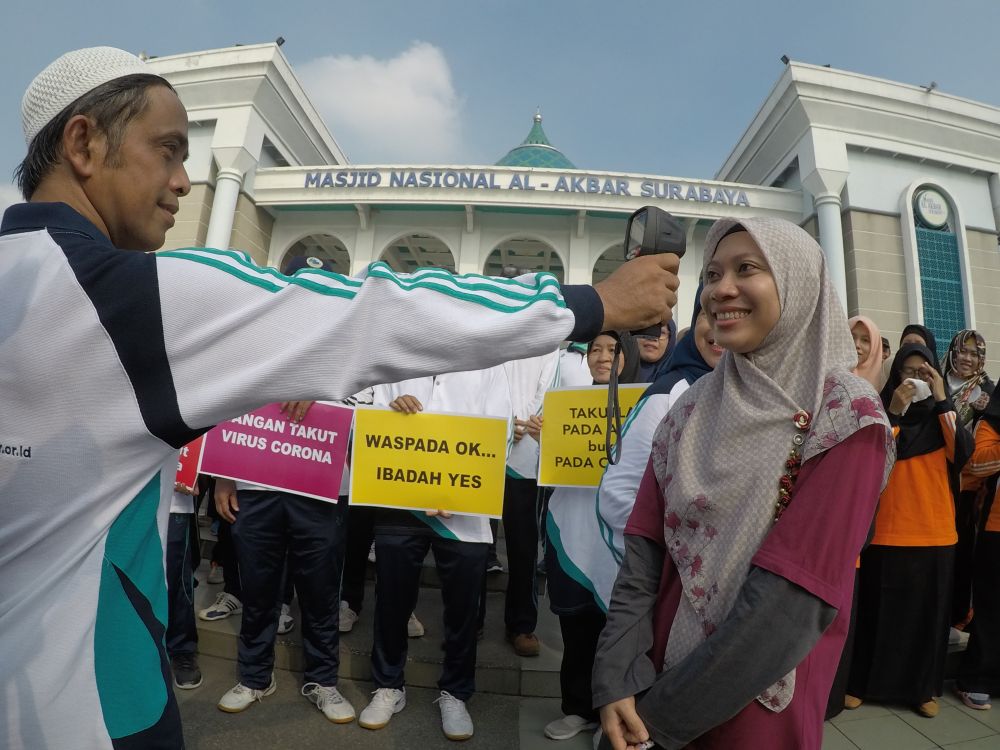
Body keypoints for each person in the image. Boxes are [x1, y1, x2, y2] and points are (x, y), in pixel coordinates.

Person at [0, 47, 678, 750]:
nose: (183, 180)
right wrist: (592, 303)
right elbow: (370, 310)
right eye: (168, 150)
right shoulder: (133, 296)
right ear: (83, 142)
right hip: (95, 710)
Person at [592, 218, 894, 750]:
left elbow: (790, 604)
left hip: (756, 704)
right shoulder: (690, 407)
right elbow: (643, 550)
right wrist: (617, 674)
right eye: (711, 274)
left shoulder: (846, 414)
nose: (720, 289)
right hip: (653, 676)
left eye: (747, 269)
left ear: (798, 283)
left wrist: (659, 725)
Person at [359, 367, 512, 741]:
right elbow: (369, 419)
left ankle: (456, 692)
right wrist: (389, 411)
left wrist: (455, 485)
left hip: (464, 506)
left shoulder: (489, 362)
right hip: (400, 499)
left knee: (463, 607)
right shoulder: (399, 356)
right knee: (392, 598)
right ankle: (388, 685)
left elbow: (500, 431)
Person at [846, 344, 972, 718]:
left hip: (934, 533)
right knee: (877, 614)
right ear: (895, 375)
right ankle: (861, 685)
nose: (914, 378)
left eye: (924, 371)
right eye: (908, 371)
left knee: (927, 618)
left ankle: (923, 690)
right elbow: (873, 452)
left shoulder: (942, 418)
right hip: (886, 531)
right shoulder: (884, 415)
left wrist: (940, 397)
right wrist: (895, 409)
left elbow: (961, 451)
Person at [593, 288, 721, 610]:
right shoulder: (671, 395)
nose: (721, 325)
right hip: (672, 593)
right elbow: (617, 495)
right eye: (708, 312)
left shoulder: (762, 399)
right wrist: (674, 565)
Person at [542, 332, 641, 741]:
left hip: (621, 535)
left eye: (613, 349)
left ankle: (612, 712)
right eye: (595, 349)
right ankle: (578, 706)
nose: (602, 357)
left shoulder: (647, 401)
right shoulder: (563, 402)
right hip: (571, 526)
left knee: (615, 629)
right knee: (576, 625)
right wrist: (542, 437)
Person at [501, 347, 561, 657]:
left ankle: (521, 623)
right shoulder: (486, 323)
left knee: (523, 545)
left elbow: (548, 387)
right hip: (480, 445)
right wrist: (501, 420)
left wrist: (521, 423)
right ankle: (472, 619)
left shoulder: (546, 339)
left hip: (523, 452)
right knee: (472, 545)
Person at [943, 330, 995, 632]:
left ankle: (958, 615)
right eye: (962, 351)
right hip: (933, 477)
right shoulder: (935, 379)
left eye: (975, 354)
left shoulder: (987, 392)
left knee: (961, 551)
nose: (967, 358)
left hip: (966, 487)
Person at [956, 391, 1000, 710]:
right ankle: (976, 679)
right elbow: (977, 463)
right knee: (990, 607)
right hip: (995, 528)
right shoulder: (991, 424)